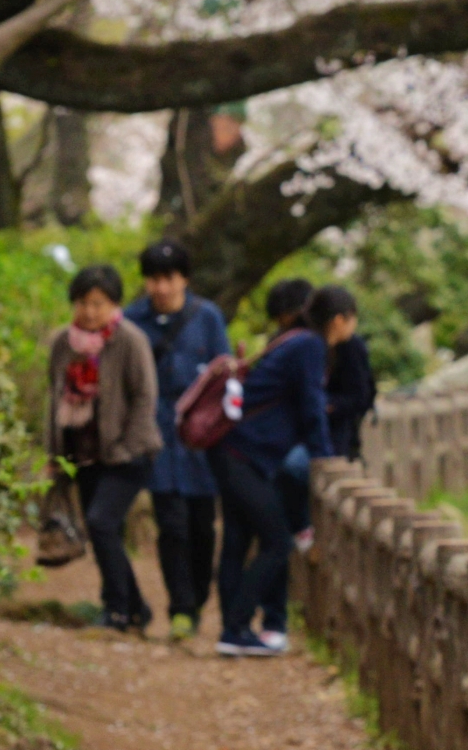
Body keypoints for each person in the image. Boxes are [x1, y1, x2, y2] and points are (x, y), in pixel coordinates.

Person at [211, 278, 332, 658]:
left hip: (230, 448)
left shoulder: (282, 344)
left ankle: (233, 630)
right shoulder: (308, 345)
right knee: (277, 541)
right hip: (247, 456)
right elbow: (312, 405)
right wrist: (324, 457)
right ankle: (236, 627)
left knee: (236, 541)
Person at [125, 239, 233, 641]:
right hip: (155, 436)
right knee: (171, 525)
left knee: (203, 526)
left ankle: (199, 596)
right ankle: (180, 608)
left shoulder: (207, 317)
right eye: (153, 278)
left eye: (168, 277)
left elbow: (224, 373)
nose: (161, 287)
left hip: (199, 439)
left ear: (184, 279)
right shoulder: (133, 321)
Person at [46, 264, 162, 633]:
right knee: (102, 530)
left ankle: (115, 610)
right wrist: (54, 455)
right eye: (83, 303)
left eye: (99, 303)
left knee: (101, 522)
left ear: (114, 305)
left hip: (128, 454)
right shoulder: (62, 342)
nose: (91, 312)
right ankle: (136, 608)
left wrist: (128, 447)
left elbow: (145, 397)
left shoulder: (130, 340)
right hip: (84, 453)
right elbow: (54, 398)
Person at [308, 284, 378, 462]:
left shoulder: (352, 347)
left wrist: (330, 405)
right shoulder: (311, 345)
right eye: (352, 317)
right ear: (339, 320)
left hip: (342, 430)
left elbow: (362, 395)